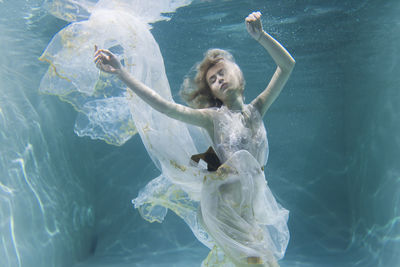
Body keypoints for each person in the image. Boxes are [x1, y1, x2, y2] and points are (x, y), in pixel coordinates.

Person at [95, 11, 295, 267]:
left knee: (258, 261)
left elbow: (287, 66)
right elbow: (167, 108)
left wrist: (261, 36)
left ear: (240, 77)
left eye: (222, 72)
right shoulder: (213, 118)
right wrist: (123, 74)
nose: (218, 79)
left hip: (249, 207)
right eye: (212, 79)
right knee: (261, 264)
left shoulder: (257, 109)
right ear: (211, 91)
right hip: (222, 208)